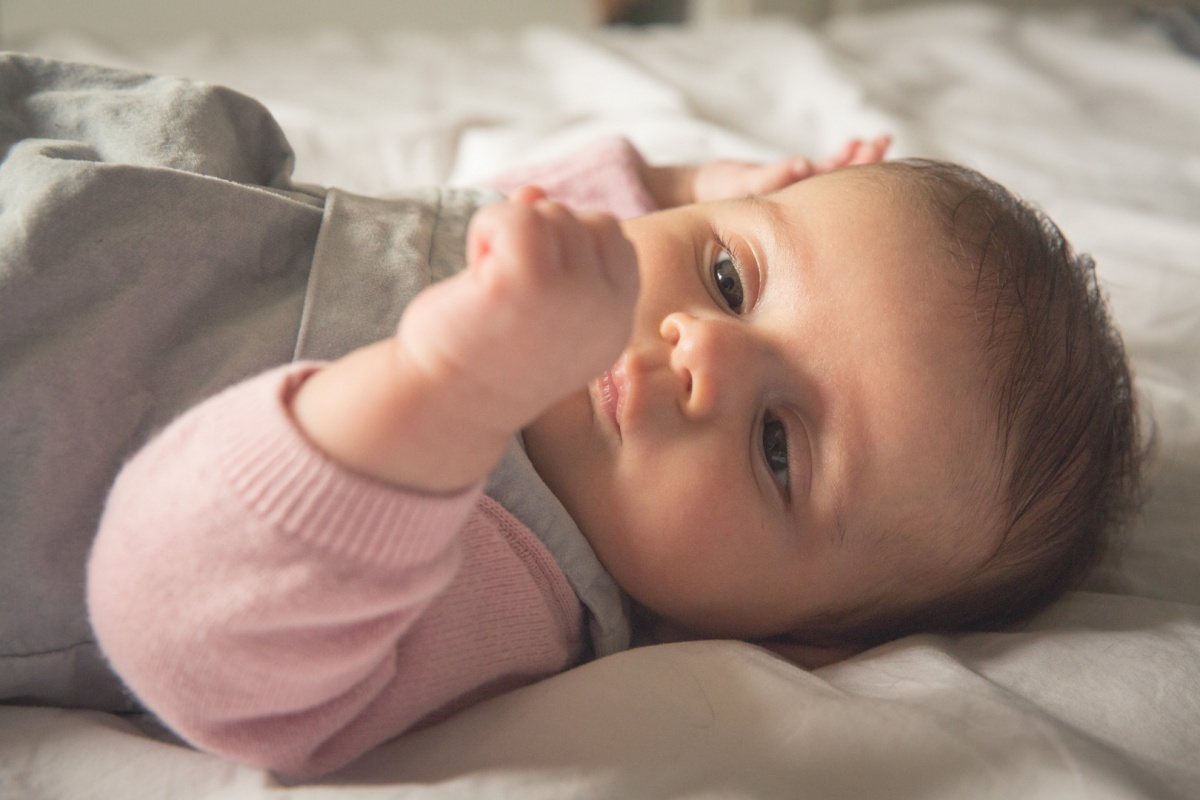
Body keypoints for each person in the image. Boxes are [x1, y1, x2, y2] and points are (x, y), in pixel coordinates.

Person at [0, 56, 1140, 779]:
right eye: (735, 279)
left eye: (779, 446)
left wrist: (450, 386)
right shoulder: (581, 288)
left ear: (793, 636)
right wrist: (698, 185)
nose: (702, 349)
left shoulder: (503, 588)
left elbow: (181, 622)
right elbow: (562, 209)